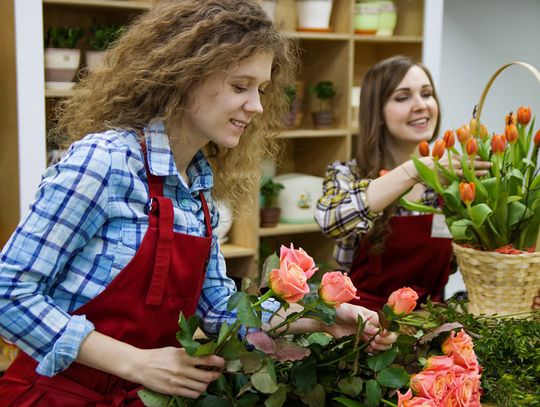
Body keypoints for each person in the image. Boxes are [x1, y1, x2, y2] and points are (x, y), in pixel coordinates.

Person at [0, 1, 395, 405]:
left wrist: (325, 319)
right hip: (53, 394)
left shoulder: (197, 189)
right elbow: (8, 292)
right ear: (185, 75)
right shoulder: (105, 161)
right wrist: (136, 363)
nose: (257, 106)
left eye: (260, 89)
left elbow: (222, 309)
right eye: (240, 86)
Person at [315, 55, 490, 311]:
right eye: (402, 97)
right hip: (360, 327)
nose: (420, 105)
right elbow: (331, 220)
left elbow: (474, 259)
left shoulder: (453, 183)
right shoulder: (348, 174)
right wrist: (415, 171)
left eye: (427, 94)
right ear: (377, 112)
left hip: (430, 329)